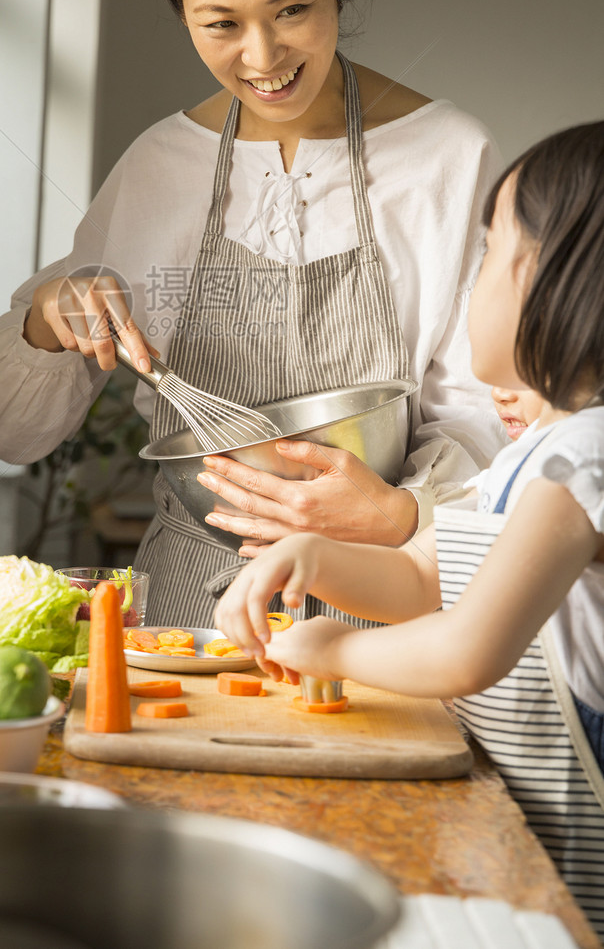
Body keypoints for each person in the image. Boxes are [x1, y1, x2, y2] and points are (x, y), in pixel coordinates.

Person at [0, 0, 505, 626]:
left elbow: (493, 415)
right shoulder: (160, 166)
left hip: (388, 604)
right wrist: (48, 319)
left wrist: (399, 514)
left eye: (292, 9)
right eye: (221, 24)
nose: (263, 56)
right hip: (192, 610)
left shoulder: (449, 156)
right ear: (181, 10)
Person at [215, 122, 604, 936]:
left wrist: (335, 650)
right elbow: (427, 577)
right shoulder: (537, 452)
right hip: (523, 809)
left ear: (548, 280)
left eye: (491, 252)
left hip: (582, 834)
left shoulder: (585, 461)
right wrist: (313, 558)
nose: (476, 283)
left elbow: (467, 648)